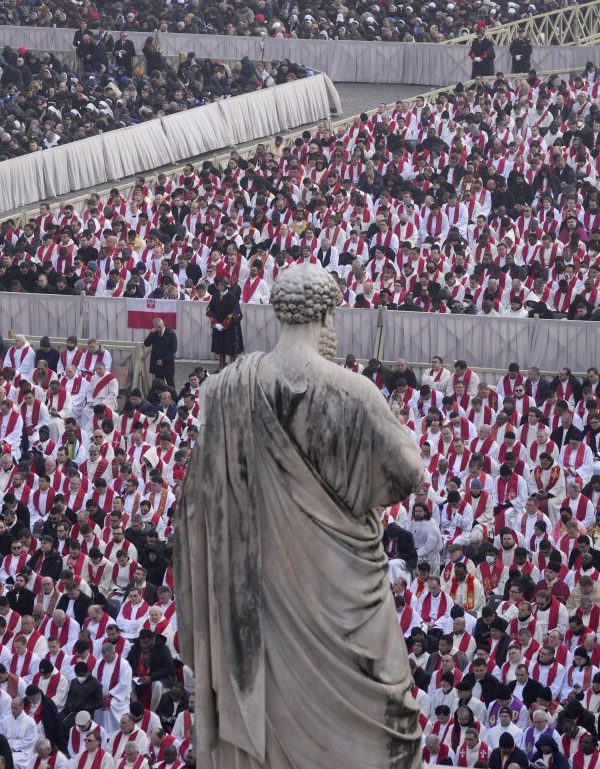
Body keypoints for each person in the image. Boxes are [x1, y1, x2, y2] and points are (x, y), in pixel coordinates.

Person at [177, 264, 423, 767]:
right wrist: (352, 489)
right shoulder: (353, 392)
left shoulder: (228, 390)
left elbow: (197, 507)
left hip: (261, 588)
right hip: (342, 589)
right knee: (387, 728)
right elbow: (407, 471)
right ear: (327, 315)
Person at [205, 275, 243, 371]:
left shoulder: (232, 298)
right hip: (218, 327)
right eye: (218, 284)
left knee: (231, 348)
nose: (218, 286)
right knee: (220, 347)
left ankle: (233, 366)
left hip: (230, 327)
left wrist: (224, 325)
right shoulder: (215, 296)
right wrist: (215, 323)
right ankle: (221, 365)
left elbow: (235, 314)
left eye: (220, 285)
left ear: (225, 285)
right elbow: (209, 311)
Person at [142, 318, 178, 390]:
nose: (158, 329)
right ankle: (160, 400)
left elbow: (173, 349)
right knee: (159, 386)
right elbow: (146, 343)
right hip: (157, 365)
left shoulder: (171, 334)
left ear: (163, 324)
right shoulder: (154, 333)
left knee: (170, 385)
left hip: (167, 364)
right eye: (156, 327)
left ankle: (174, 400)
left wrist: (163, 360)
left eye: (159, 327)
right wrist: (151, 333)